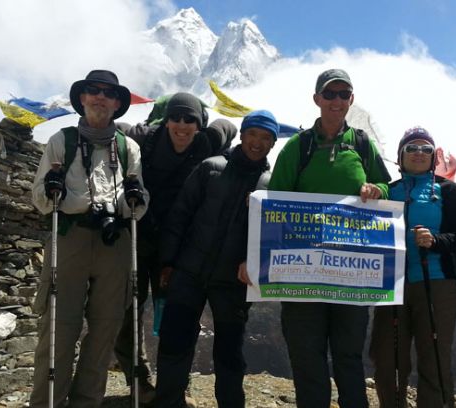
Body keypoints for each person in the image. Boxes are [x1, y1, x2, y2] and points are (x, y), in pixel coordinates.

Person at [268, 68, 391, 407]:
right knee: (307, 357)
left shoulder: (363, 144)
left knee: (349, 356)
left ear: (351, 100)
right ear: (317, 99)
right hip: (302, 270)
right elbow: (276, 201)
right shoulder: (299, 146)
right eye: (330, 94)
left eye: (343, 94)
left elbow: (388, 188)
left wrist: (375, 188)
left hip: (352, 271)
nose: (337, 101)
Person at [29, 69, 149, 408]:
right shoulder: (61, 141)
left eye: (108, 93)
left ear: (117, 104)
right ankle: (48, 402)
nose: (100, 97)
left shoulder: (128, 149)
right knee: (59, 328)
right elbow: (38, 198)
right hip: (70, 234)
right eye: (93, 91)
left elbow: (137, 206)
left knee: (106, 327)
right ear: (82, 98)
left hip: (114, 239)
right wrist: (54, 191)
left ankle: (87, 402)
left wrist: (136, 197)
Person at [113, 93, 236, 403]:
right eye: (176, 118)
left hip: (177, 249)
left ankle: (175, 384)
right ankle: (138, 380)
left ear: (199, 123)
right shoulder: (145, 138)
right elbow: (117, 130)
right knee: (126, 311)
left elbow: (228, 127)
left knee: (178, 317)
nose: (182, 125)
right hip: (137, 239)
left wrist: (215, 130)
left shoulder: (206, 142)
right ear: (165, 120)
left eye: (190, 119)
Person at [153, 110, 278, 407]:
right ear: (243, 134)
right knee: (175, 342)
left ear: (272, 143)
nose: (257, 142)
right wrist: (168, 261)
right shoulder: (211, 168)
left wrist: (257, 266)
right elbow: (180, 215)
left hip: (234, 282)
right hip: (188, 272)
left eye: (265, 138)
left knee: (229, 351)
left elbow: (273, 238)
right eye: (253, 134)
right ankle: (168, 402)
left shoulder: (270, 186)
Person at [369, 127, 456, 407]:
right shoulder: (388, 191)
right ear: (400, 156)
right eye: (412, 148)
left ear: (433, 157)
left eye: (426, 149)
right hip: (392, 284)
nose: (419, 153)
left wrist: (435, 241)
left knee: (434, 358)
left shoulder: (447, 190)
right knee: (387, 358)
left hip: (436, 282)